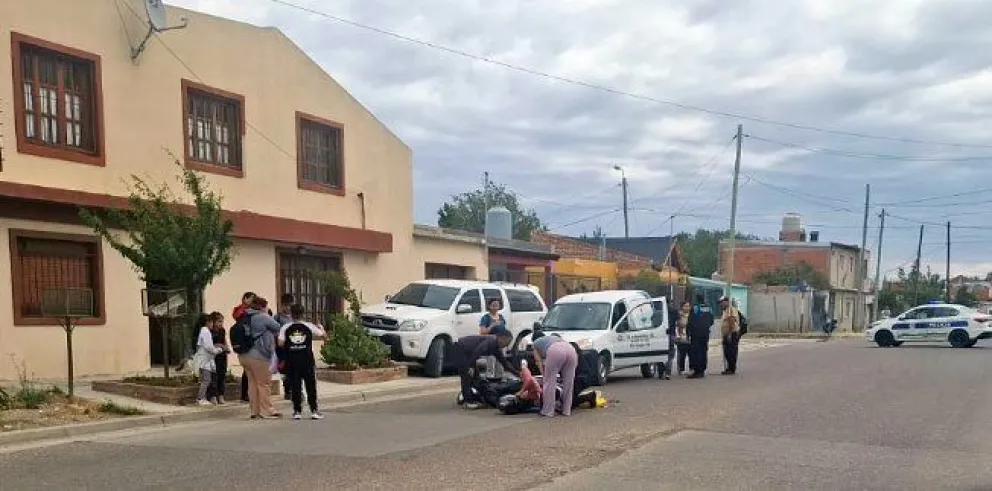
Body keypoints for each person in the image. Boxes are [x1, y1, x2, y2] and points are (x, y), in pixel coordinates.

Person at [278, 304, 326, 420]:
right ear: (303, 314)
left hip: (292, 361)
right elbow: (323, 336)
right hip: (307, 360)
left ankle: (297, 411)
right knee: (311, 386)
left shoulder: (286, 327)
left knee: (295, 386)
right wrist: (321, 327)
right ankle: (314, 410)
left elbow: (280, 343)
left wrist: (291, 346)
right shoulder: (309, 326)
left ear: (291, 314)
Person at [238, 297, 283, 419]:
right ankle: (267, 410)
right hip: (259, 356)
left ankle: (255, 411)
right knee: (264, 384)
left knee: (252, 384)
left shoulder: (244, 316)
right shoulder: (263, 317)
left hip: (244, 355)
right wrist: (266, 313)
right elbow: (278, 327)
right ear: (262, 306)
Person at [452, 332, 519, 410]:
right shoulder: (491, 341)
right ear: (502, 338)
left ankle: (472, 396)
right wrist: (470, 367)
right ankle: (468, 401)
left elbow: (504, 363)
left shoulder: (496, 348)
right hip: (460, 348)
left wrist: (517, 373)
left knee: (476, 377)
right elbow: (478, 351)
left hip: (469, 354)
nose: (507, 345)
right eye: (507, 342)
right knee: (467, 375)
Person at [531, 331, 578, 417]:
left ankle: (548, 411)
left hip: (555, 351)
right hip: (571, 349)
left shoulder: (535, 344)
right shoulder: (552, 339)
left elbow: (538, 361)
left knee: (549, 382)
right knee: (569, 382)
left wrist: (544, 374)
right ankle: (566, 410)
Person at [193, 313, 225, 406]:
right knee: (206, 380)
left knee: (207, 379)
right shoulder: (206, 332)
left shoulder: (204, 331)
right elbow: (209, 347)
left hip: (206, 360)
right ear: (207, 322)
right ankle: (200, 398)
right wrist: (219, 350)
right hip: (205, 361)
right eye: (211, 322)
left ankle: (202, 397)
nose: (212, 324)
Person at [233, 291, 256, 403]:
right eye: (251, 298)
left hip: (251, 340)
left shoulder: (254, 310)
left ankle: (250, 393)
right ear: (245, 298)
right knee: (247, 369)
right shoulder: (240, 309)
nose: (252, 301)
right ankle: (244, 394)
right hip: (244, 341)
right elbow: (237, 316)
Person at [687, 294, 714, 379]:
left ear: (697, 300)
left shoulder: (695, 308)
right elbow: (711, 321)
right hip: (705, 334)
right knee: (704, 351)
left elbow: (690, 322)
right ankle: (702, 370)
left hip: (696, 334)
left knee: (696, 352)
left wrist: (688, 333)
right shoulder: (709, 308)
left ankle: (697, 371)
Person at [479, 299, 507, 379]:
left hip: (501, 343)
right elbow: (483, 332)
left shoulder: (501, 317)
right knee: (491, 364)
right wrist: (492, 325)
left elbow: (504, 329)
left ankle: (499, 380)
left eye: (497, 305)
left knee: (500, 364)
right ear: (489, 306)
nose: (495, 307)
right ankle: (490, 380)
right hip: (491, 344)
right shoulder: (486, 318)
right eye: (493, 305)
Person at [274, 294, 295, 400]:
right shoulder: (277, 317)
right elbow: (274, 332)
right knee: (284, 369)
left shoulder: (294, 317)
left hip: (294, 346)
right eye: (286, 305)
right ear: (282, 305)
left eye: (290, 305)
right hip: (282, 348)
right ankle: (287, 390)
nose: (288, 308)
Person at [208, 311, 230, 404]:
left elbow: (224, 341)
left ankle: (221, 395)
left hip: (222, 356)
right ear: (213, 322)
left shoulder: (222, 330)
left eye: (222, 321)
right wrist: (220, 345)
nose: (221, 323)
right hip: (213, 356)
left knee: (222, 375)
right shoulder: (210, 332)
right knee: (213, 376)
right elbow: (210, 345)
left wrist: (226, 347)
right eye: (219, 321)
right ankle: (212, 396)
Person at [719, 296, 741, 375]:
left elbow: (731, 321)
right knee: (727, 351)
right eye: (720, 303)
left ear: (727, 302)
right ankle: (729, 368)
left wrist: (729, 334)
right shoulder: (726, 310)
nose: (721, 304)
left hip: (731, 334)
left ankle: (731, 369)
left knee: (731, 351)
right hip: (728, 334)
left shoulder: (730, 310)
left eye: (722, 302)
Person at [674, 301, 692, 376]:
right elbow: (676, 326)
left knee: (691, 354)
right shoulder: (679, 315)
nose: (687, 308)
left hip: (690, 338)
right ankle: (681, 369)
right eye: (685, 306)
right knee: (682, 355)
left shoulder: (692, 315)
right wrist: (677, 336)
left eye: (688, 306)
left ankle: (691, 368)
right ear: (682, 307)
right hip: (682, 338)